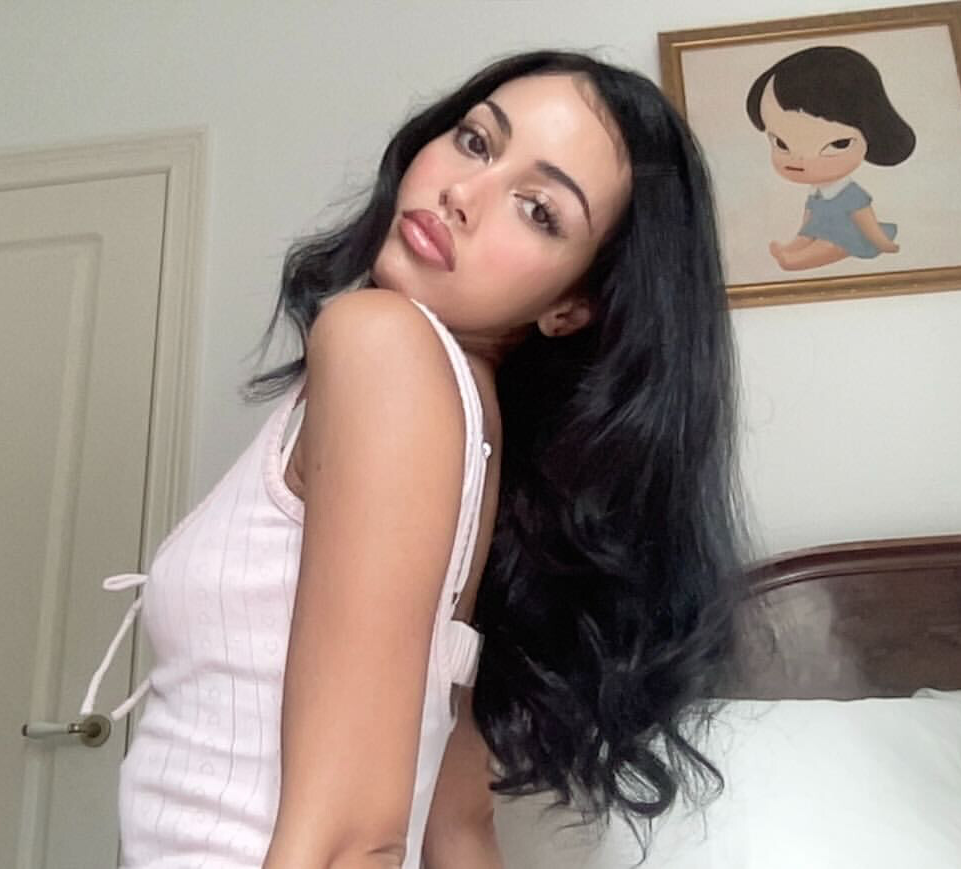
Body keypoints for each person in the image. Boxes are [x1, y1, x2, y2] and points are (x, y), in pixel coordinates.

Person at [84, 47, 748, 869]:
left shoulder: (382, 345)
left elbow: (352, 839)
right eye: (476, 141)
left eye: (538, 209)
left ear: (573, 305)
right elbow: (457, 825)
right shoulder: (471, 433)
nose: (463, 194)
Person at [745, 45, 916, 271]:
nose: (802, 160)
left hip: (846, 235)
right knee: (807, 237)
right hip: (819, 230)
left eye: (838, 144)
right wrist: (801, 237)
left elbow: (866, 221)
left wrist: (882, 243)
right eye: (781, 144)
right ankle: (793, 249)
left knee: (829, 245)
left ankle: (795, 260)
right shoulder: (816, 191)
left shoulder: (850, 193)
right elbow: (809, 218)